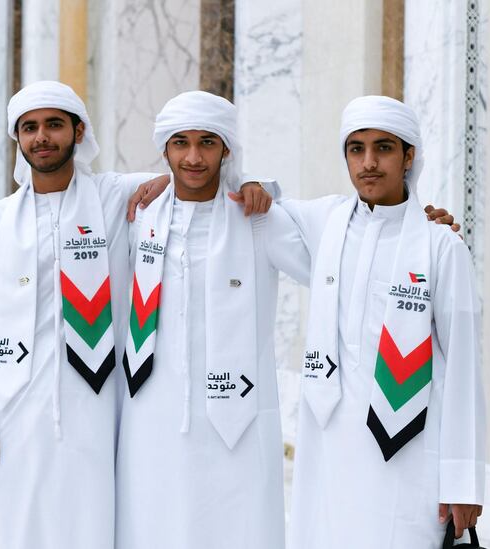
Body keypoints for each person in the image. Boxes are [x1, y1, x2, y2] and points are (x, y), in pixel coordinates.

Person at [0, 81, 272, 548]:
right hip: (9, 410)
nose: (42, 137)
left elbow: (197, 177)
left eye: (54, 125)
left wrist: (253, 185)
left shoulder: (116, 198)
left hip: (95, 410)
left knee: (90, 524)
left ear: (79, 132)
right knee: (9, 525)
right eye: (30, 128)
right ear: (18, 139)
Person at [283, 96, 485, 548]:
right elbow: (252, 206)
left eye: (384, 148)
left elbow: (464, 369)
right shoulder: (324, 223)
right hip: (330, 447)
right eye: (356, 149)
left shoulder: (440, 247)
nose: (369, 163)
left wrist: (463, 483)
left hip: (409, 452)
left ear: (409, 156)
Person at [115, 90, 312, 549]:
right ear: (164, 149)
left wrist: (423, 232)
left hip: (236, 420)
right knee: (153, 524)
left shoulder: (258, 217)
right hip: (152, 413)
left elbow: (332, 261)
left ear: (227, 148)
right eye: (180, 142)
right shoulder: (138, 216)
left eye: (208, 142)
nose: (194, 156)